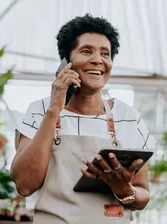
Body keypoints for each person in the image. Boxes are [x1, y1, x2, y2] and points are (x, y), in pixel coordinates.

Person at [10, 14, 156, 224]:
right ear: (66, 61)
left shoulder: (128, 118)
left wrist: (126, 190)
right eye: (86, 51)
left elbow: (143, 195)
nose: (98, 59)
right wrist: (54, 110)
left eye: (105, 53)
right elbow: (24, 185)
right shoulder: (40, 110)